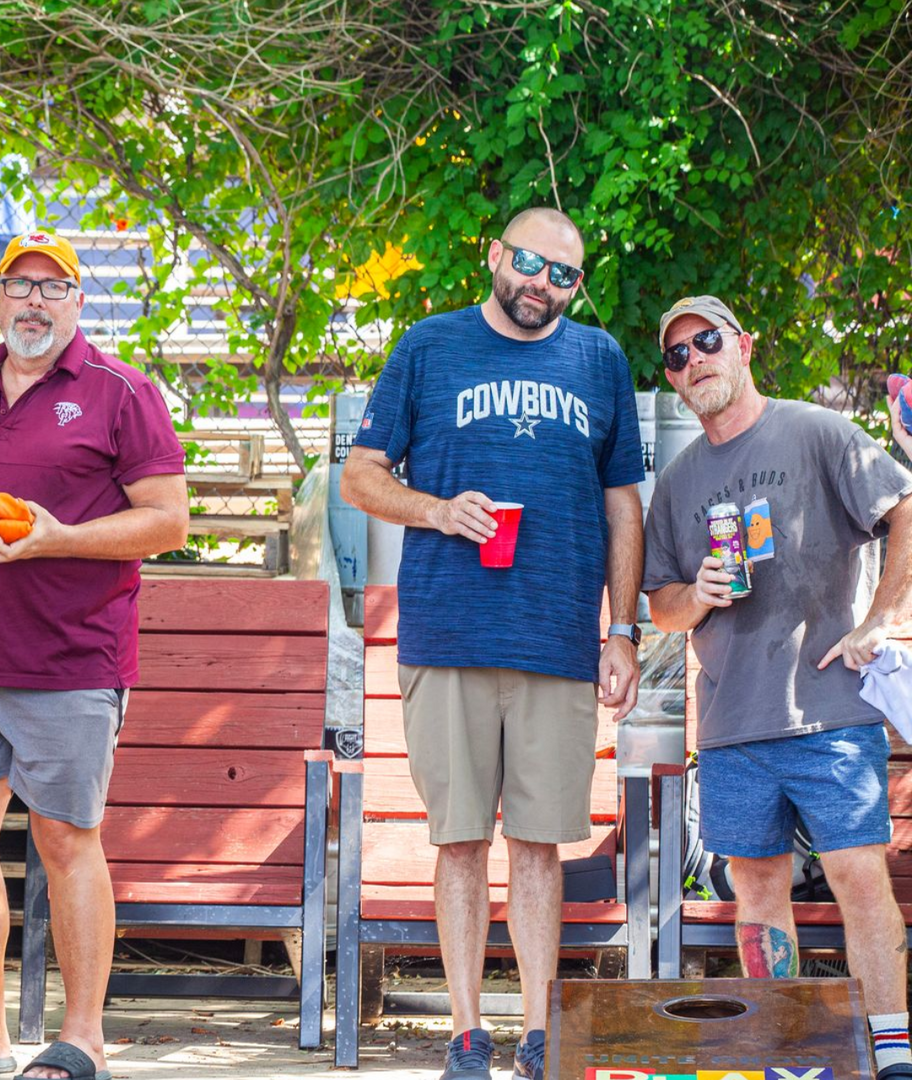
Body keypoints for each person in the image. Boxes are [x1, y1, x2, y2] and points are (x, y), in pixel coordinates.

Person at [340, 208, 643, 1080]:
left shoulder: (599, 360)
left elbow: (623, 505)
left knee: (541, 845)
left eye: (563, 274)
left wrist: (623, 630)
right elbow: (361, 476)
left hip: (558, 639)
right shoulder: (429, 347)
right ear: (495, 255)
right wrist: (438, 510)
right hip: (449, 634)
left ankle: (541, 1033)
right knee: (461, 840)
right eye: (529, 262)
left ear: (576, 285)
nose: (542, 283)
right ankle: (467, 1034)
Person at [0, 230, 189, 1080]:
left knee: (65, 839)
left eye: (52, 287)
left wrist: (61, 538)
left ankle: (83, 1037)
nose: (34, 301)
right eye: (19, 285)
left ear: (77, 302)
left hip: (71, 659)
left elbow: (168, 520)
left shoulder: (120, 391)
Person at [643, 295, 912, 1080]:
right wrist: (696, 595)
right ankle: (789, 1054)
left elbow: (904, 509)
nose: (694, 360)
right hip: (732, 723)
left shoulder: (817, 432)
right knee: (757, 890)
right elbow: (662, 606)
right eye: (677, 354)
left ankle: (892, 1050)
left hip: (829, 713)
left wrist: (882, 616)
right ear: (673, 378)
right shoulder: (678, 482)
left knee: (858, 877)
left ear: (745, 346)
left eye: (707, 341)